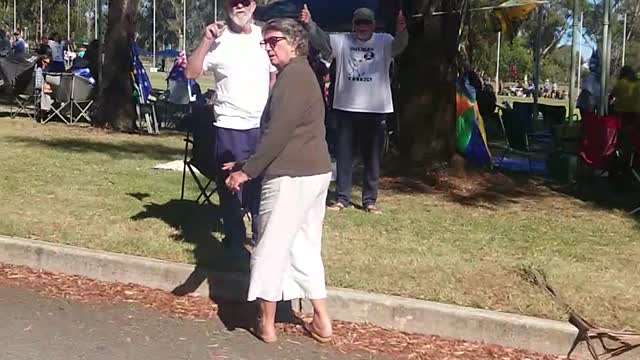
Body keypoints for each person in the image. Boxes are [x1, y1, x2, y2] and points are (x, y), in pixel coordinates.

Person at [224, 18, 333, 344]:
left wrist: (247, 171)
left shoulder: (293, 76)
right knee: (304, 246)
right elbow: (290, 131)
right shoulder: (302, 75)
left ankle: (267, 324)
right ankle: (322, 321)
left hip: (290, 176)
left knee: (269, 248)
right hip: (314, 172)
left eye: (274, 41)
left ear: (295, 42)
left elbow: (279, 132)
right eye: (265, 42)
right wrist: (246, 161)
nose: (268, 47)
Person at [185, 0, 276, 259]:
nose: (239, 6)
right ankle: (235, 239)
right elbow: (191, 73)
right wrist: (204, 40)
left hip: (260, 125)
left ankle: (261, 238)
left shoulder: (263, 36)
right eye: (234, 2)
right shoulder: (217, 40)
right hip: (229, 126)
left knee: (260, 183)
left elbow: (273, 76)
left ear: (254, 6)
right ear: (226, 6)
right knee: (230, 185)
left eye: (244, 2)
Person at [301, 5, 408, 214]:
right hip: (345, 108)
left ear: (373, 25)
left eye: (366, 23)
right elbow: (321, 41)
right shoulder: (342, 41)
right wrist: (309, 24)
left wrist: (402, 30)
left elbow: (399, 46)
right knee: (344, 156)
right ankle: (342, 198)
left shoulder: (384, 40)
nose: (362, 27)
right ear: (353, 25)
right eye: (358, 23)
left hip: (376, 110)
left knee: (372, 158)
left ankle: (370, 200)